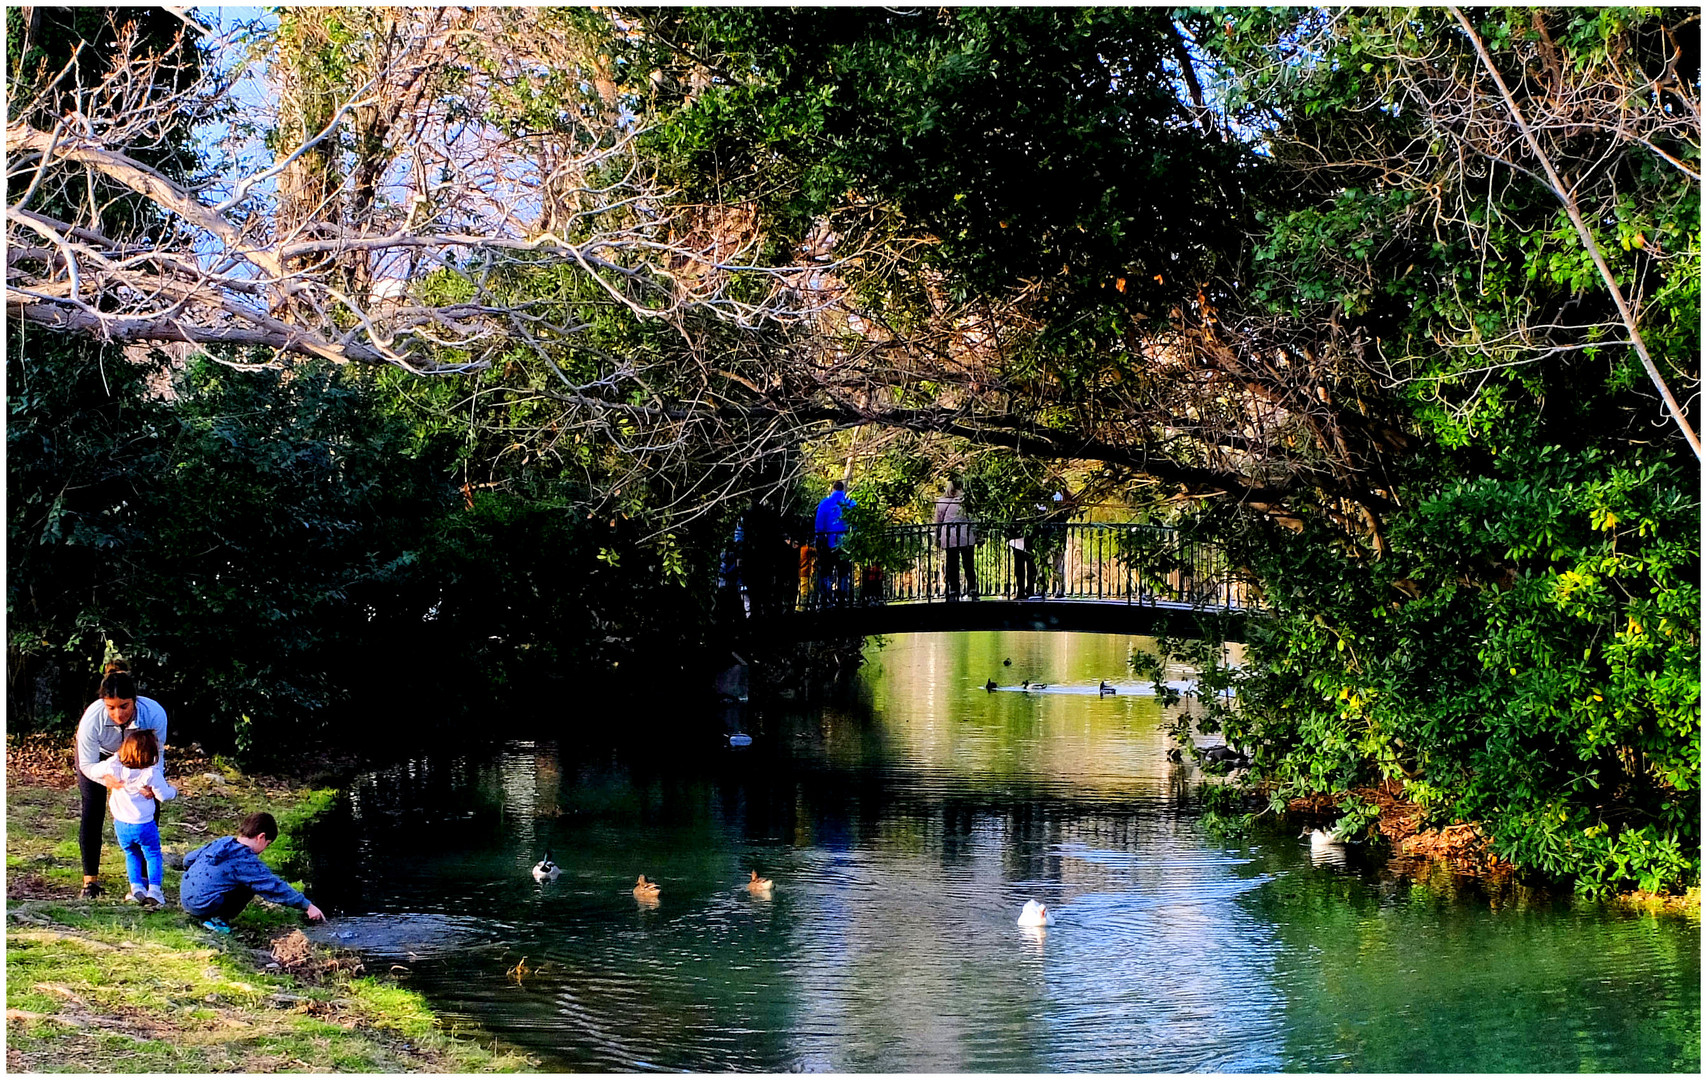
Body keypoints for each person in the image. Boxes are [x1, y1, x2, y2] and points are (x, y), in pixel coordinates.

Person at [74, 662, 169, 898]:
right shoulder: (92, 719)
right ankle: (90, 881)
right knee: (93, 808)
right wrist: (107, 778)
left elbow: (156, 758)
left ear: (135, 700)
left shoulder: (154, 714)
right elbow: (87, 764)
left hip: (139, 757)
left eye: (124, 706)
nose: (118, 714)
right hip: (100, 759)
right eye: (111, 708)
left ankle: (147, 881)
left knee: (148, 805)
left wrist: (151, 785)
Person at [180, 811, 326, 933]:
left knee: (237, 881)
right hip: (203, 905)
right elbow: (272, 886)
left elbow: (188, 860)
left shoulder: (222, 842)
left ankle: (209, 915)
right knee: (251, 885)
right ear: (261, 837)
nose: (264, 850)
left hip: (186, 898)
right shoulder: (244, 859)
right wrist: (307, 905)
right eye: (267, 844)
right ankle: (217, 920)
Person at [82, 728, 177, 906]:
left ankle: (136, 888)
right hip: (144, 824)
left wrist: (111, 772)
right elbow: (163, 796)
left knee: (131, 854)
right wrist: (174, 791)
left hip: (122, 825)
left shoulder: (114, 766)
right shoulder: (150, 773)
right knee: (153, 854)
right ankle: (155, 890)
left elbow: (95, 771)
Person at [934, 478, 979, 600]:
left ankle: (954, 589)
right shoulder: (966, 501)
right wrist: (978, 534)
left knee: (952, 564)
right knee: (968, 563)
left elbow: (938, 521)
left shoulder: (941, 502)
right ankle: (972, 589)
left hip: (949, 535)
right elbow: (973, 518)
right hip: (966, 534)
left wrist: (937, 537)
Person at [814, 480, 855, 604]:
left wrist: (819, 538)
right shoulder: (850, 504)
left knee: (826, 571)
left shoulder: (825, 503)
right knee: (843, 572)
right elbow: (855, 523)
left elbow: (819, 524)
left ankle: (826, 599)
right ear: (843, 490)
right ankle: (843, 597)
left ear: (833, 489)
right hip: (845, 543)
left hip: (828, 542)